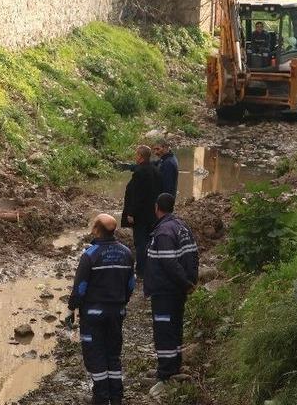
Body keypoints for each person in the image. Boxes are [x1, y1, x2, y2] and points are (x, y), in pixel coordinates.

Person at [67, 214, 135, 405]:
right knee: (113, 354)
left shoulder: (90, 255)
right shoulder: (126, 253)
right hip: (116, 313)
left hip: (93, 315)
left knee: (95, 355)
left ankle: (101, 397)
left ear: (97, 230)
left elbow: (80, 287)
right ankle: (116, 397)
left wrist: (72, 307)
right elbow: (131, 284)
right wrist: (122, 303)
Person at [144, 193, 199, 396]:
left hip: (166, 291)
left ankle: (166, 374)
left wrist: (185, 284)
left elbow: (169, 264)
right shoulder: (181, 226)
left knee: (164, 330)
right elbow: (194, 255)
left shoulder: (164, 232)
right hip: (175, 289)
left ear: (157, 207)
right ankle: (172, 366)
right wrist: (191, 281)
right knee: (174, 326)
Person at [121, 145, 162, 278]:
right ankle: (150, 267)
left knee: (140, 242)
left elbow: (137, 196)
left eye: (136, 155)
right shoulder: (155, 170)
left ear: (140, 156)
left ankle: (141, 271)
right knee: (150, 241)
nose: (135, 157)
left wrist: (131, 213)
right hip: (153, 213)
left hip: (140, 215)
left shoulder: (140, 173)